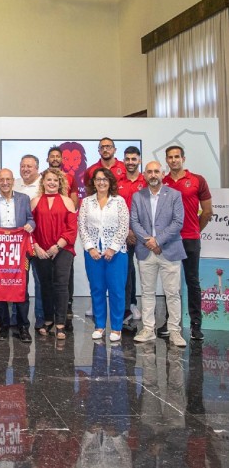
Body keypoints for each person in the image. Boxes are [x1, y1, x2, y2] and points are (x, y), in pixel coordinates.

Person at [131, 161, 187, 347]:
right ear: (144, 175)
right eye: (149, 172)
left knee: (172, 293)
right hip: (146, 251)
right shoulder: (137, 196)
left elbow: (178, 222)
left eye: (156, 171)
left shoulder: (174, 195)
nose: (153, 175)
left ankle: (174, 331)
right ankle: (148, 329)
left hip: (169, 250)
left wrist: (158, 241)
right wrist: (149, 241)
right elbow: (134, 222)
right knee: (147, 292)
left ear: (162, 174)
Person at [161, 145, 212, 341]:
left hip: (190, 239)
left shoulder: (197, 180)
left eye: (177, 157)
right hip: (169, 240)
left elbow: (207, 211)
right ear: (166, 160)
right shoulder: (162, 182)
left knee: (192, 282)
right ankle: (169, 322)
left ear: (183, 158)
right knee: (169, 284)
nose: (173, 160)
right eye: (170, 157)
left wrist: (195, 230)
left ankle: (196, 325)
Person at [0, 168, 34, 343]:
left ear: (12, 180)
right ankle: (3, 327)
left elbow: (31, 219)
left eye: (8, 179)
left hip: (18, 249)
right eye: (1, 179)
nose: (5, 182)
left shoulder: (24, 199)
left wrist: (30, 226)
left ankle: (23, 327)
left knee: (20, 288)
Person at [78, 167, 129, 343]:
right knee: (97, 289)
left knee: (116, 290)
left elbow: (124, 227)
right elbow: (82, 227)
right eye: (98, 179)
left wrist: (112, 248)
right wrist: (90, 248)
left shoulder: (119, 201)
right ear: (93, 182)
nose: (101, 182)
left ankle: (116, 328)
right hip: (93, 253)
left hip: (116, 253)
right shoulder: (86, 202)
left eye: (105, 179)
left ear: (110, 182)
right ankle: (99, 326)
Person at [30, 169, 77, 341]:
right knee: (45, 286)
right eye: (48, 180)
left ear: (60, 183)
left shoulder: (67, 202)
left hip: (63, 249)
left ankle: (61, 323)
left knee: (61, 285)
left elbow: (72, 230)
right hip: (41, 251)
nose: (52, 183)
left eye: (55, 180)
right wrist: (36, 247)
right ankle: (48, 319)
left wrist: (57, 246)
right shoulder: (35, 202)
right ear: (43, 182)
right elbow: (30, 228)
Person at [117, 145, 146, 329]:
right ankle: (128, 308)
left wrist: (137, 231)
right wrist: (127, 231)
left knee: (145, 272)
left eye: (134, 159)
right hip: (123, 234)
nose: (130, 162)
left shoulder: (148, 180)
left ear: (139, 160)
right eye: (127, 159)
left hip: (144, 234)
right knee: (126, 272)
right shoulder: (117, 182)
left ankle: (142, 309)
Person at [14, 154, 44, 328]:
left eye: (29, 166)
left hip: (39, 241)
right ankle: (16, 317)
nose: (25, 169)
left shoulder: (44, 184)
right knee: (17, 280)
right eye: (23, 166)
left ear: (37, 168)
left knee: (39, 281)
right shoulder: (14, 183)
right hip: (18, 243)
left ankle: (40, 318)